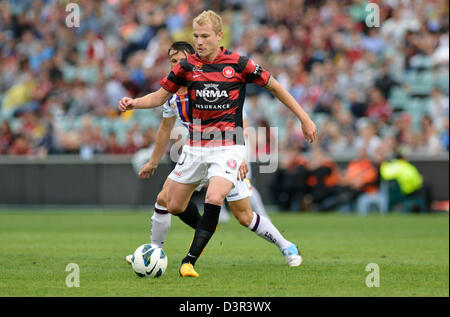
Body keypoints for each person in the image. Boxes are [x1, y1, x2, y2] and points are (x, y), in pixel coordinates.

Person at [118, 10, 317, 278]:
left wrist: (304, 119)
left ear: (219, 36)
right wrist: (134, 102)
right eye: (196, 36)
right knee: (173, 203)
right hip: (196, 148)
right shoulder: (186, 68)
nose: (199, 41)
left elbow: (275, 87)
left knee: (217, 198)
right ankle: (201, 230)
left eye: (204, 36)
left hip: (228, 147)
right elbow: (158, 96)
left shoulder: (239, 64)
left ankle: (190, 262)